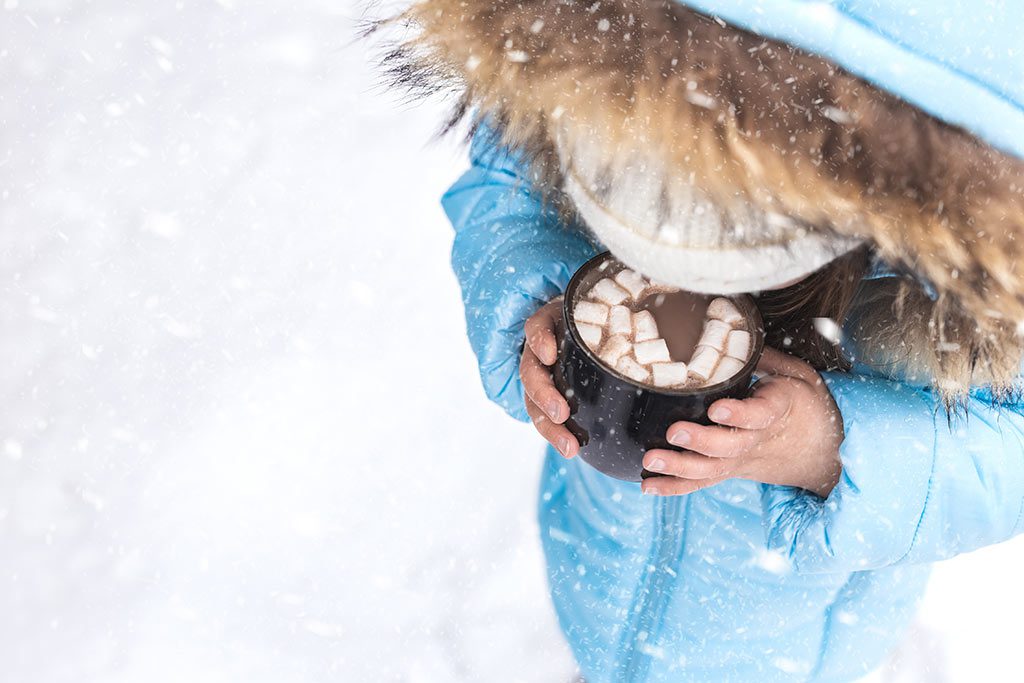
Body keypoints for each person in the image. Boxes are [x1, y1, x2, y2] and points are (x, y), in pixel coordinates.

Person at [381, 0, 1024, 679]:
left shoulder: (966, 273)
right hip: (600, 579)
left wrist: (831, 450)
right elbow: (505, 179)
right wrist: (529, 302)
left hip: (802, 651)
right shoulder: (589, 62)